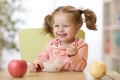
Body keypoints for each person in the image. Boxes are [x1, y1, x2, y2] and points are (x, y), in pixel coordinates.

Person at [29, 5, 97, 72]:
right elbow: (43, 58)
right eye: (56, 26)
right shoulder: (51, 44)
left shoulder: (81, 45)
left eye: (66, 26)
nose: (60, 29)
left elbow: (80, 68)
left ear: (77, 27)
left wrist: (74, 55)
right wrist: (37, 65)